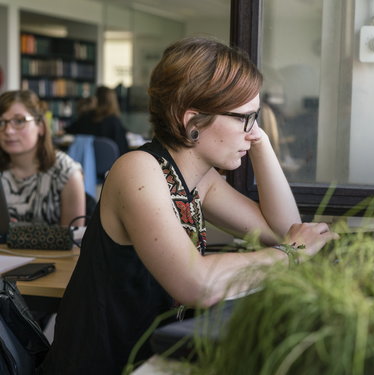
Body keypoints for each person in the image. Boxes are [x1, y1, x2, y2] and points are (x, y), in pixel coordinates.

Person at [42, 36, 338, 374]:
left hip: (150, 362)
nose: (252, 131)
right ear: (192, 121)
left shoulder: (201, 179)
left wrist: (261, 141)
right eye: (245, 118)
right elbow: (196, 284)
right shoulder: (138, 169)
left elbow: (280, 229)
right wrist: (294, 252)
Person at [0, 90, 85, 226]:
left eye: (19, 121)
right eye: (2, 122)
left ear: (40, 126)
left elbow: (74, 242)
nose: (8, 130)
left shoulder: (66, 172)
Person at [65, 85, 130, 155]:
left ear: (97, 99)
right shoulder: (114, 122)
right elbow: (123, 149)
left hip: (86, 161)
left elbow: (68, 130)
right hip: (111, 163)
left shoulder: (85, 118)